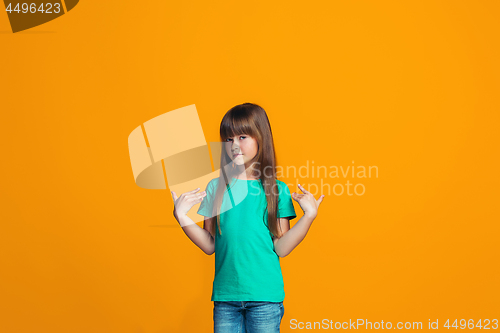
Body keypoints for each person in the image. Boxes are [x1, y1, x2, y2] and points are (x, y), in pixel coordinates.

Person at [171, 103, 325, 333]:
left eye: (242, 136)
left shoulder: (277, 190)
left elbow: (281, 248)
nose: (234, 145)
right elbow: (210, 245)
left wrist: (309, 216)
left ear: (260, 137)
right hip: (226, 298)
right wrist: (181, 216)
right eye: (228, 139)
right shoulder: (217, 187)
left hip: (265, 299)